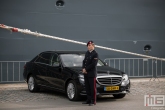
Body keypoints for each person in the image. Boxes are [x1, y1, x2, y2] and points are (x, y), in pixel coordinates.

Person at [82, 40, 98, 106]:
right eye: (88, 45)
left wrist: (86, 69)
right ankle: (88, 100)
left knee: (92, 88)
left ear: (93, 46)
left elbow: (93, 64)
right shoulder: (87, 53)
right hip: (86, 73)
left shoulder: (95, 54)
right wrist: (83, 68)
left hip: (91, 73)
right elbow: (84, 61)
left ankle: (93, 101)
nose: (88, 47)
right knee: (87, 87)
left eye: (90, 45)